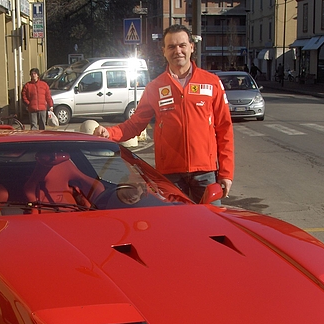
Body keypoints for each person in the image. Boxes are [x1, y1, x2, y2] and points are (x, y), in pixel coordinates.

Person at [93, 24, 234, 204]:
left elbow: (224, 130)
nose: (178, 51)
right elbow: (135, 124)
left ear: (192, 47)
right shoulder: (155, 87)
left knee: (211, 226)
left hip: (205, 173)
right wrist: (110, 133)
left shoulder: (211, 83)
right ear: (164, 51)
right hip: (170, 175)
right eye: (171, 47)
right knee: (173, 228)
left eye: (182, 45)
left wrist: (226, 173)